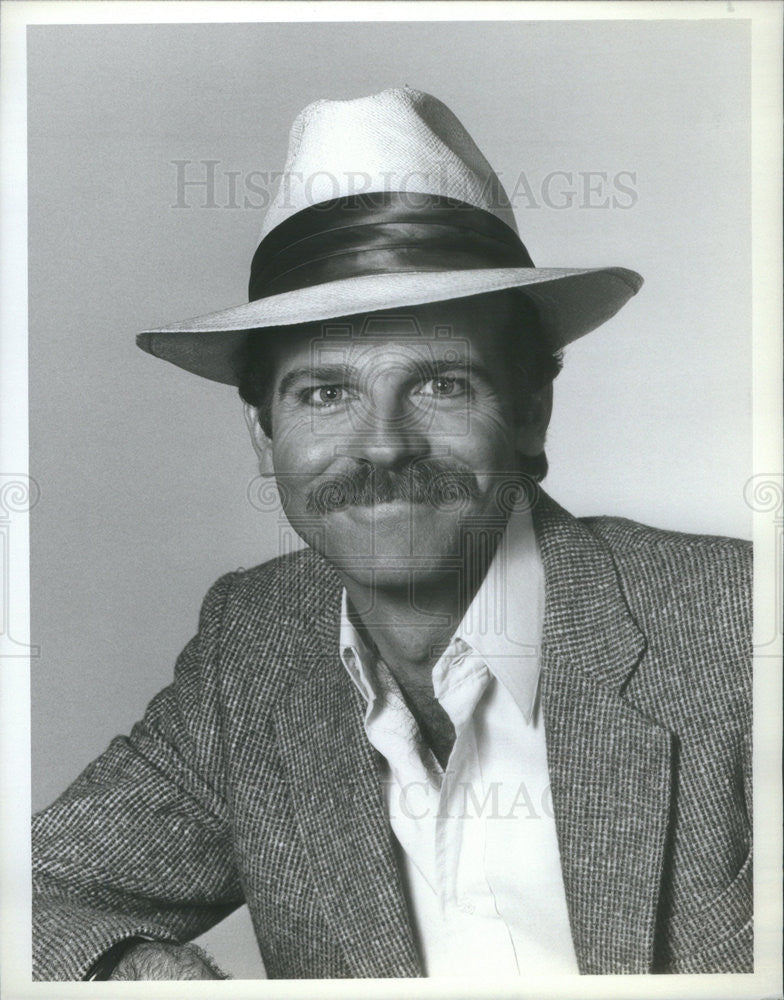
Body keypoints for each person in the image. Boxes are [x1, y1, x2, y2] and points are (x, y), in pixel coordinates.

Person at [32, 88, 752, 980]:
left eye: (441, 384)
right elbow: (37, 892)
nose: (383, 446)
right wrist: (138, 976)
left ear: (531, 414)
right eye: (326, 394)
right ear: (263, 434)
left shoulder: (739, 629)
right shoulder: (252, 646)